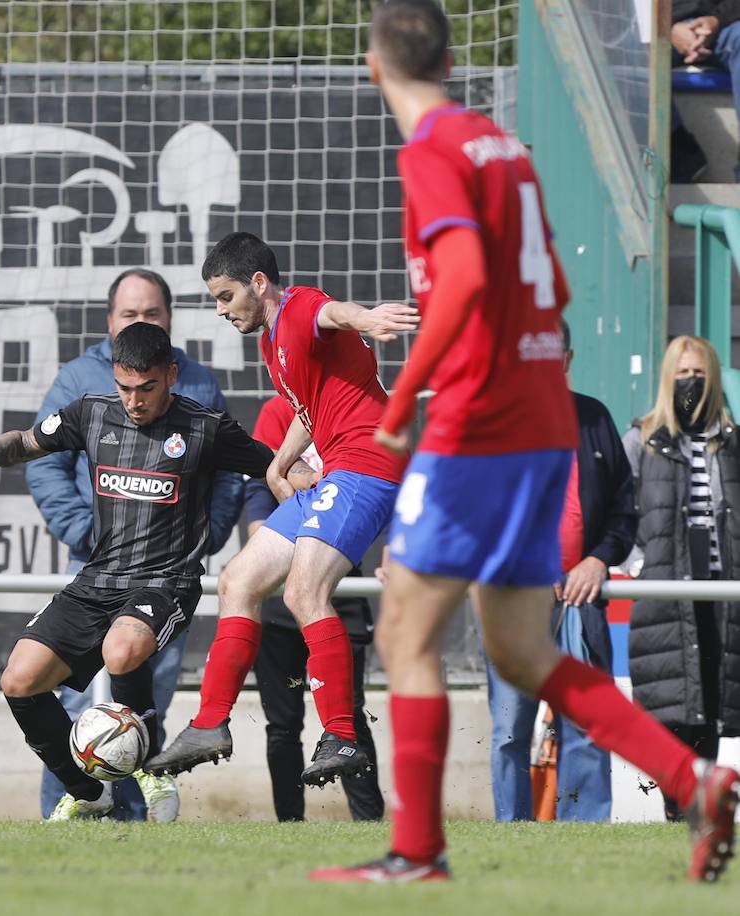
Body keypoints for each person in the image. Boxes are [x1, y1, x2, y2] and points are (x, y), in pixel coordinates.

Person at [313, 0, 738, 883]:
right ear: (452, 54)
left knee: (403, 631)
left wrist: (403, 409)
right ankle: (693, 781)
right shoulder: (500, 148)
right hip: (544, 418)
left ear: (372, 65)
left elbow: (462, 280)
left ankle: (417, 850)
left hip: (480, 425)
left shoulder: (431, 149)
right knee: (522, 652)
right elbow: (549, 290)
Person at [0, 322, 273, 821]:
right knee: (19, 679)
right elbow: (28, 441)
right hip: (98, 576)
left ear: (170, 375)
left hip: (167, 580)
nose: (134, 400)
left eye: (146, 388)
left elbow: (271, 467)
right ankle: (86, 792)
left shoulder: (205, 427)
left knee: (121, 650)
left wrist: (326, 484)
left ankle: (147, 770)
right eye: (125, 387)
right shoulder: (91, 414)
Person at [146, 232, 417, 785]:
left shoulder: (296, 310)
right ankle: (208, 724)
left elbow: (330, 312)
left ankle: (341, 733)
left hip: (367, 464)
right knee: (238, 580)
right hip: (337, 467)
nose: (221, 310)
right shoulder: (273, 342)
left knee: (301, 592)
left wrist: (365, 319)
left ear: (259, 284)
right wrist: (279, 464)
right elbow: (311, 408)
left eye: (225, 297)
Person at [26, 266, 244, 820]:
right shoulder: (80, 379)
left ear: (168, 320)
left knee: (145, 701)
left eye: (152, 312)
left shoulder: (195, 381)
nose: (142, 320)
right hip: (98, 571)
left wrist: (206, 536)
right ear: (110, 321)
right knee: (78, 706)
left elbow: (228, 473)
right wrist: (85, 532)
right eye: (131, 313)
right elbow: (45, 463)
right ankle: (75, 808)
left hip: (166, 576)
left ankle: (138, 816)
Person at [485, 320, 637, 823]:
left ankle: (585, 830)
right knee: (510, 728)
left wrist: (598, 559)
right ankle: (512, 830)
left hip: (580, 599)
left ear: (567, 360)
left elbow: (624, 510)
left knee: (588, 723)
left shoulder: (594, 419)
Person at [246, 396, 384, 822]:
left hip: (337, 587)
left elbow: (384, 484)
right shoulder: (276, 411)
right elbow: (257, 488)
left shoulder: (362, 410)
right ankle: (290, 823)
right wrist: (266, 542)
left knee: (349, 713)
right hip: (281, 599)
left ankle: (368, 821)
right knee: (284, 725)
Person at [623, 334, 740, 822]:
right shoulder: (642, 438)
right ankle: (678, 807)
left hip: (722, 593)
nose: (690, 383)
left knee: (711, 703)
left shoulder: (732, 443)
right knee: (670, 708)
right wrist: (636, 563)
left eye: (699, 374)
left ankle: (701, 808)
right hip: (666, 593)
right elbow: (618, 508)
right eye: (682, 374)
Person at [669, 3, 740, 183]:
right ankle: (679, 152)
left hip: (724, 24)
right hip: (650, 33)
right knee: (609, 59)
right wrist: (667, 27)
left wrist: (716, 20)